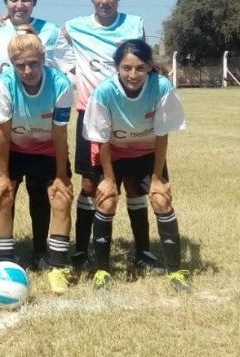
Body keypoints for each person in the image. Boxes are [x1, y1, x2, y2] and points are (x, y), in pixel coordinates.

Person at [55, 0, 159, 273]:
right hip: (90, 114)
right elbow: (59, 55)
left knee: (133, 184)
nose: (104, 0)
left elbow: (143, 59)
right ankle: (81, 250)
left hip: (130, 114)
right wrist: (82, 78)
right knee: (90, 184)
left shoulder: (134, 24)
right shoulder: (74, 27)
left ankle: (142, 251)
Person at [83, 39, 192, 293]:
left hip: (146, 153)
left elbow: (162, 134)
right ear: (117, 68)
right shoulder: (104, 92)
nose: (133, 74)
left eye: (140, 68)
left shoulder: (161, 87)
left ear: (149, 67)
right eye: (127, 68)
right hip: (113, 153)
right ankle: (102, 270)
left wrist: (157, 178)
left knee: (161, 200)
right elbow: (102, 139)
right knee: (106, 201)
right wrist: (108, 180)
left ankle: (176, 271)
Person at [0, 27, 74, 294]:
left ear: (43, 59)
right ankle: (5, 262)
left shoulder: (61, 84)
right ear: (12, 64)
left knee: (61, 197)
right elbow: (2, 133)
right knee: (2, 194)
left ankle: (56, 266)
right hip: (12, 148)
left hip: (47, 148)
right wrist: (3, 175)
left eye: (33, 64)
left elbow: (60, 133)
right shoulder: (3, 83)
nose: (27, 71)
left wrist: (61, 176)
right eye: (20, 65)